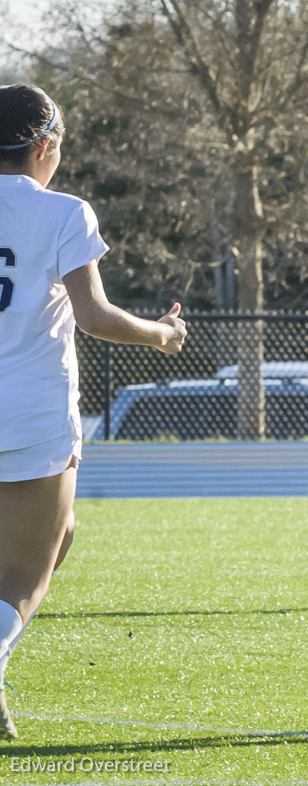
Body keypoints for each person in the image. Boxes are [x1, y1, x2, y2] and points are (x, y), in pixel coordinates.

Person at [0, 84, 187, 740]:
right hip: (31, 417)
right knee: (25, 575)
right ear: (45, 147)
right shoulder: (64, 212)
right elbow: (96, 316)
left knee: (64, 534)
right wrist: (163, 335)